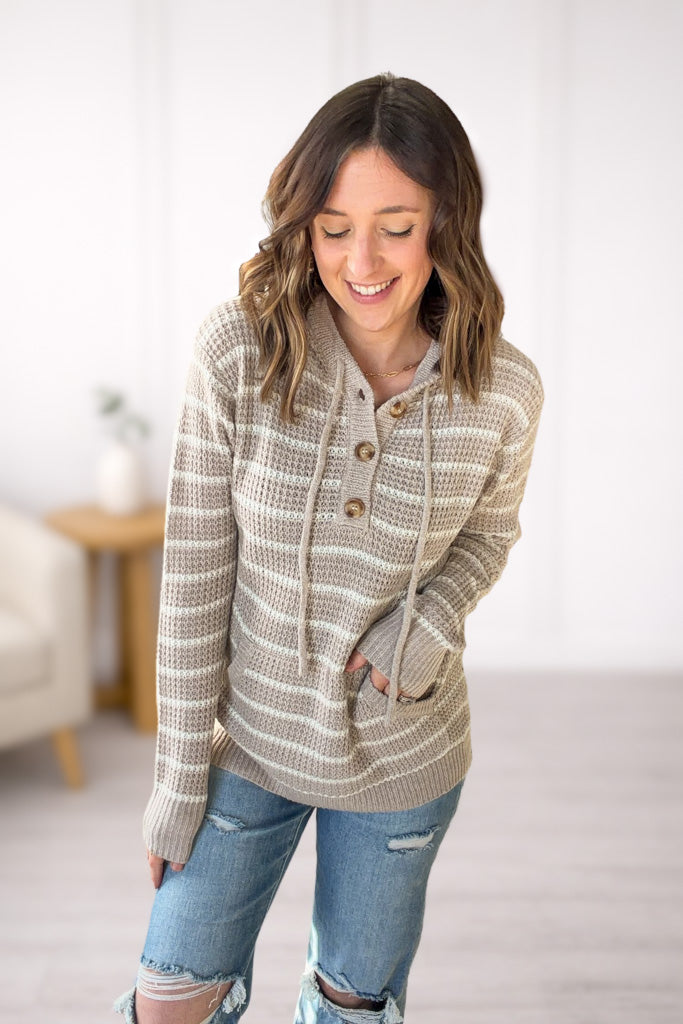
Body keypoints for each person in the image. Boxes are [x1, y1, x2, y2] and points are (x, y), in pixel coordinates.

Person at [114, 72, 544, 1024]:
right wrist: (177, 779)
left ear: (447, 221)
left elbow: (488, 533)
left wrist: (424, 623)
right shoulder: (240, 351)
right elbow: (191, 578)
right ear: (302, 227)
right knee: (169, 995)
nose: (363, 259)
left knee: (355, 1006)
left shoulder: (503, 389)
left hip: (402, 756)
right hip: (249, 744)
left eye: (397, 223)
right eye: (333, 226)